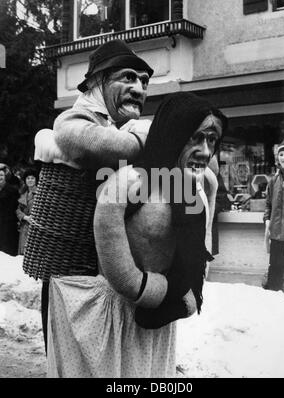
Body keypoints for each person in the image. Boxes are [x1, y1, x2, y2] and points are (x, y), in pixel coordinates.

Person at [46, 92, 227, 378]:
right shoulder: (130, 182)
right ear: (173, 133)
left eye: (212, 140)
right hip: (119, 316)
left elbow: (200, 250)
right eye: (195, 138)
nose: (205, 151)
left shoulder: (198, 190)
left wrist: (187, 294)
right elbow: (114, 260)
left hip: (161, 317)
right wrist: (152, 290)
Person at [25, 39, 154, 352]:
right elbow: (84, 142)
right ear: (98, 81)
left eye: (144, 81)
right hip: (70, 277)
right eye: (128, 77)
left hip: (101, 276)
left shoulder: (116, 125)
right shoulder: (76, 118)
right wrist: (143, 136)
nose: (139, 89)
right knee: (73, 360)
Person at [263, 136, 284, 291]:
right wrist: (266, 219)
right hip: (276, 234)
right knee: (274, 277)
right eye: (281, 154)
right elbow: (268, 205)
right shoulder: (273, 180)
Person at [16, 168, 38, 255]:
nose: (30, 180)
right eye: (28, 178)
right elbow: (16, 208)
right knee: (22, 253)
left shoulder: (41, 193)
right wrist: (25, 217)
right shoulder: (22, 193)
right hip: (24, 226)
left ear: (36, 179)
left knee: (32, 254)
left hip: (35, 226)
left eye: (32, 178)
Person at [0, 164, 19, 256]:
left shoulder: (12, 190)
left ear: (5, 177)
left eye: (1, 175)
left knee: (6, 252)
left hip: (7, 225)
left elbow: (14, 208)